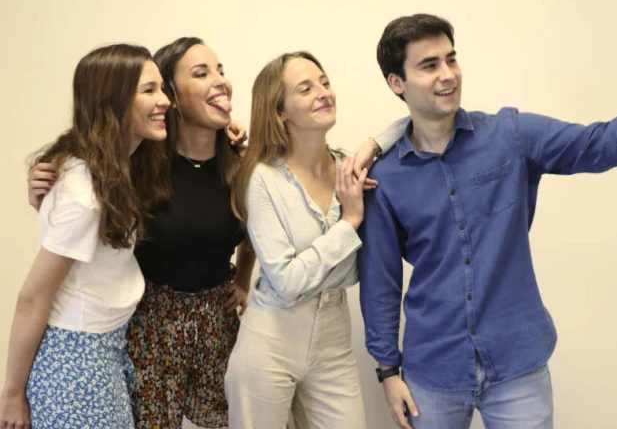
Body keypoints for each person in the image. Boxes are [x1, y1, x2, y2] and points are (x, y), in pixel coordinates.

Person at [355, 14, 617, 429]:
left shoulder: (509, 135)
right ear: (397, 82)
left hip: (517, 364)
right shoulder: (384, 177)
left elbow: (602, 142)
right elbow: (380, 281)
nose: (447, 74)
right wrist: (387, 371)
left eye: (451, 59)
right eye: (429, 65)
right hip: (432, 371)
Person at [25, 37, 254, 429]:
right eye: (201, 73)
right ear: (173, 96)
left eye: (220, 70)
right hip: (148, 327)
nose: (220, 80)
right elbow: (88, 208)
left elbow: (254, 229)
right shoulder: (142, 162)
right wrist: (42, 195)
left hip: (217, 324)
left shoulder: (239, 165)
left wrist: (244, 280)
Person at [0, 43, 170, 428]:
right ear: (112, 101)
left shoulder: (109, 170)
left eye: (162, 89)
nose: (165, 101)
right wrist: (11, 395)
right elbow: (31, 298)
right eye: (149, 90)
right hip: (77, 361)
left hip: (100, 350)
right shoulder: (83, 192)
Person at [225, 51, 368, 429]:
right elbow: (287, 282)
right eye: (305, 89)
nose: (323, 92)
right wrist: (349, 222)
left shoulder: (351, 167)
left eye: (325, 82)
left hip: (334, 336)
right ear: (279, 112)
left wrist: (374, 144)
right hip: (271, 336)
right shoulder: (261, 178)